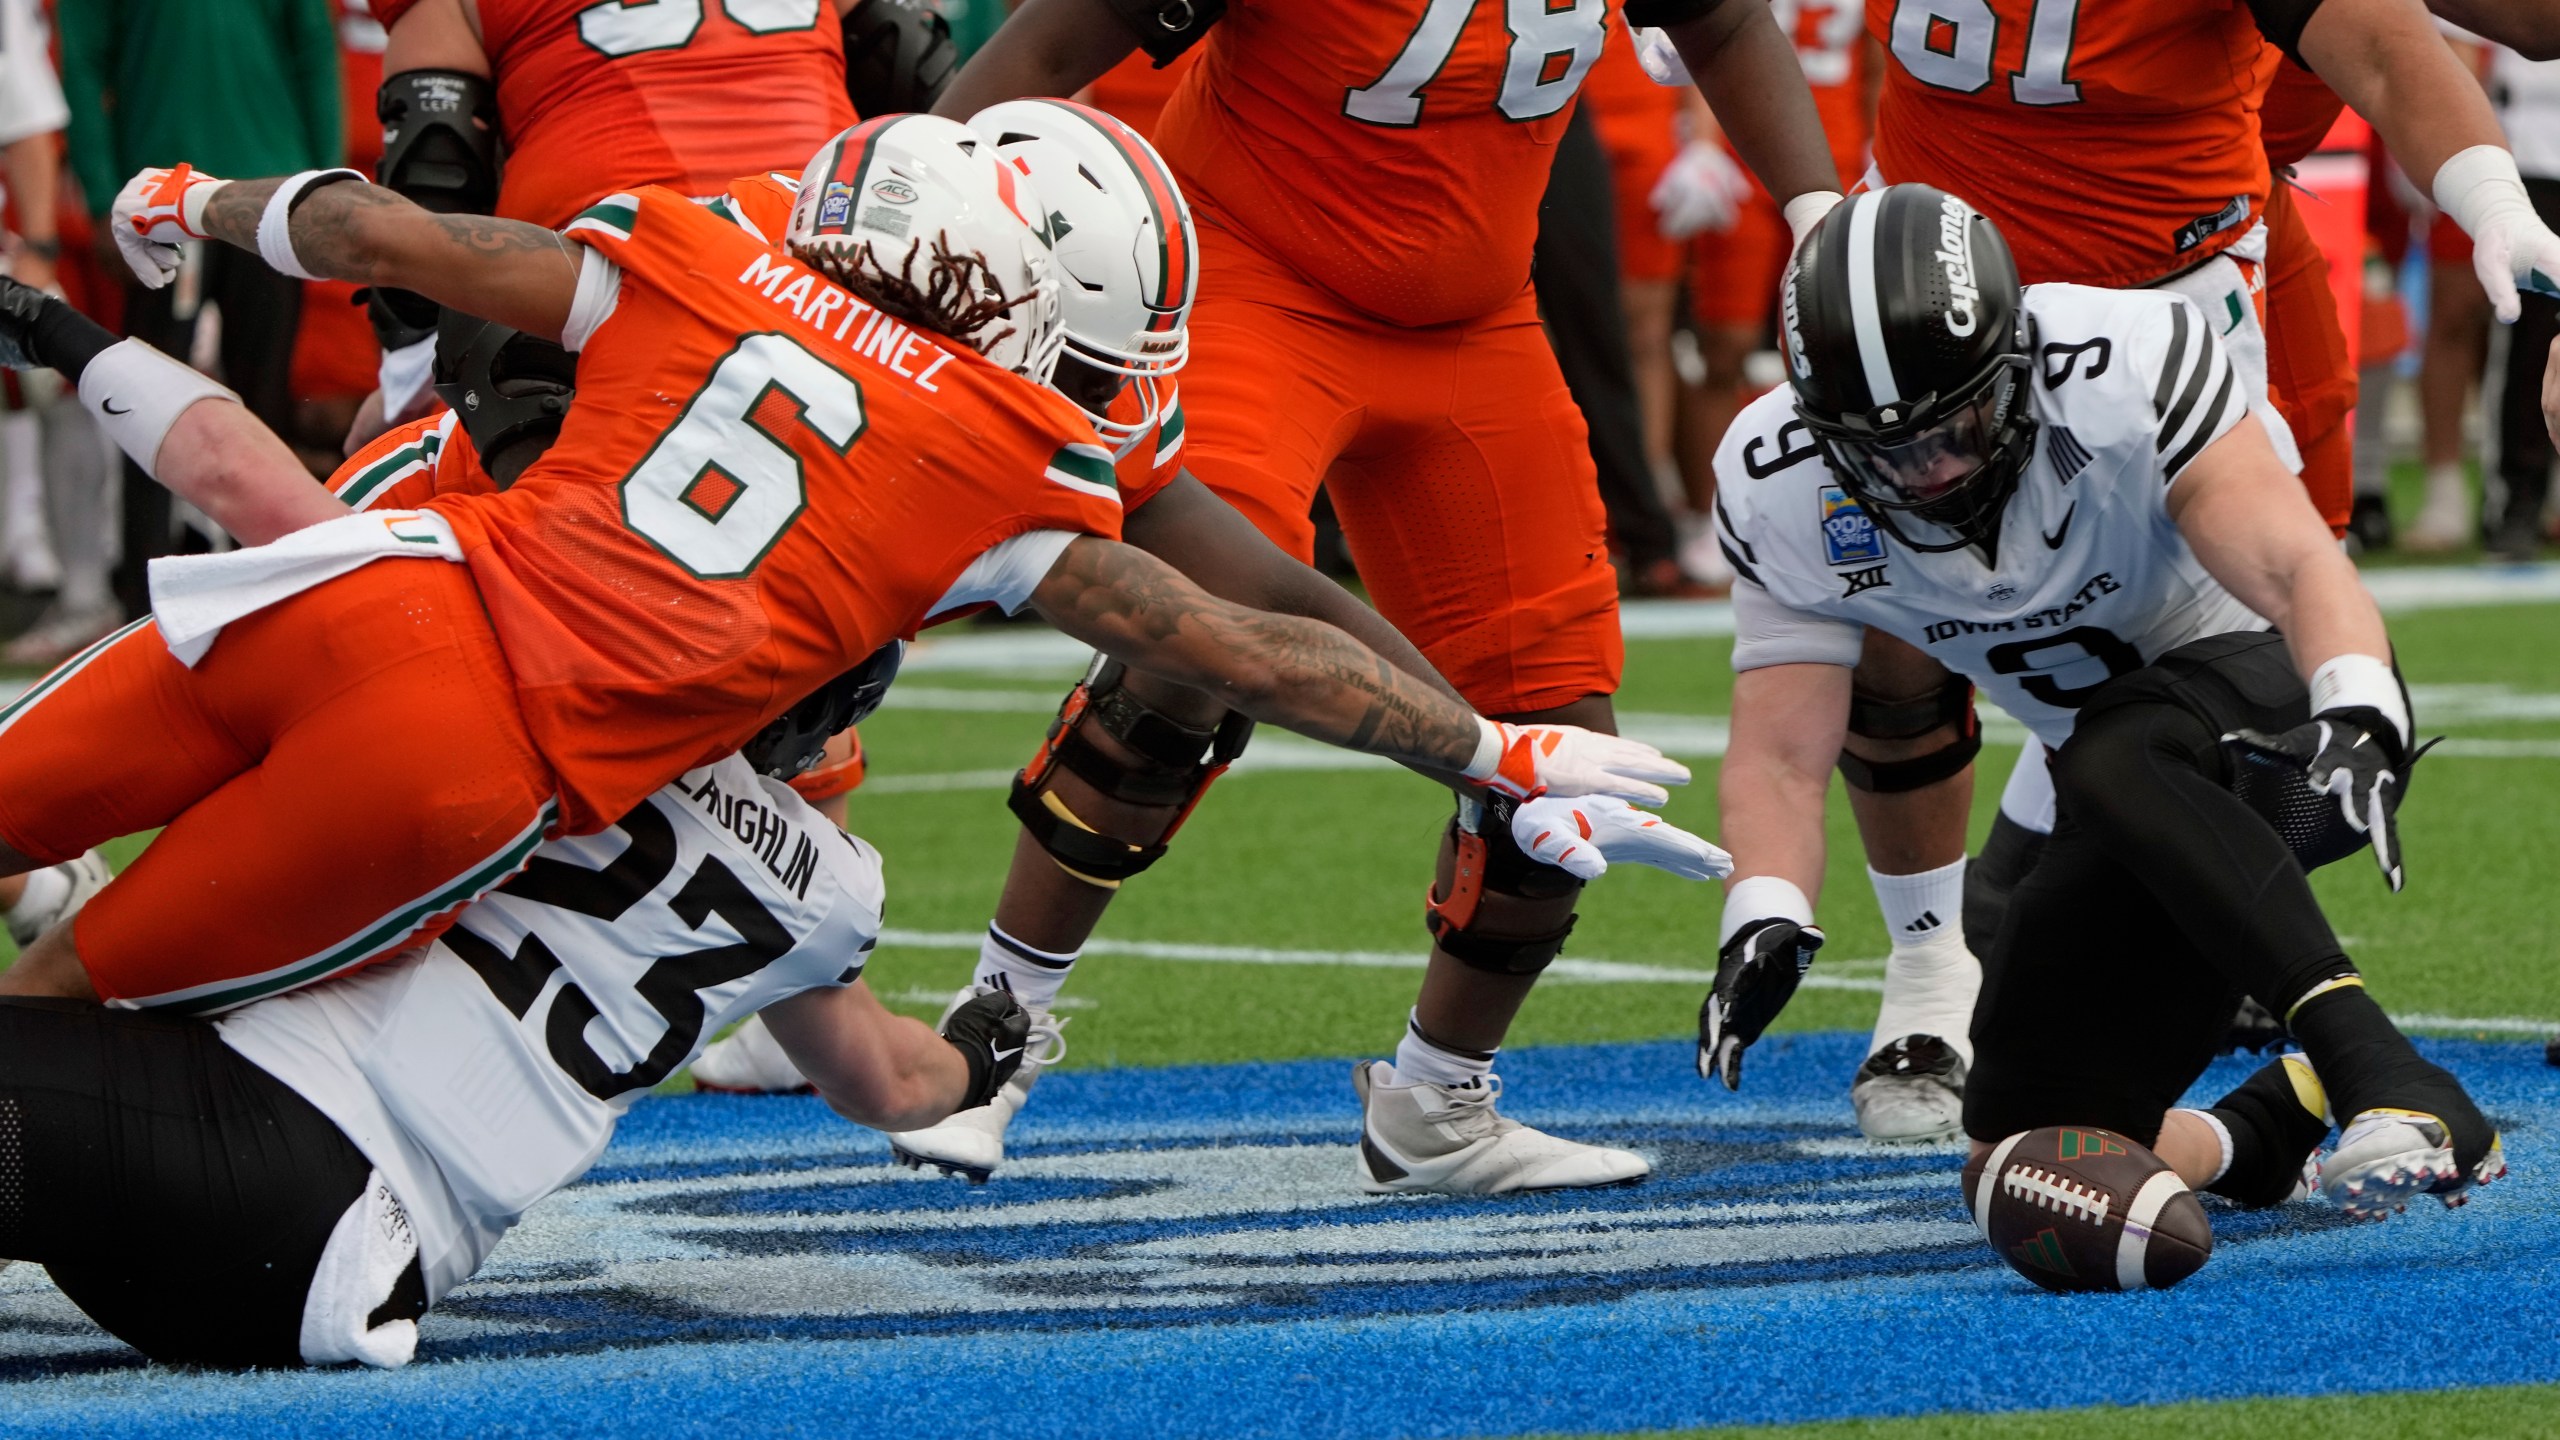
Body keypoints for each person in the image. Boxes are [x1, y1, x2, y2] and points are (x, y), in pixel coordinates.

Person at [0, 115, 1685, 1026]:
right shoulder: (998, 470)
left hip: (362, 590)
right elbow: (1236, 642)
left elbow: (372, 235)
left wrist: (185, 199)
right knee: (64, 1011)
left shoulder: (712, 245)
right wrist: (1489, 749)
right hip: (471, 758)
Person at [677, 109, 1729, 1157]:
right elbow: (524, 314)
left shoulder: (930, 353)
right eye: (1084, 374)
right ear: (966, 279)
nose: (1102, 412)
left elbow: (1260, 616)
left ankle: (955, 1051)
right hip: (578, 680)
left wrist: (1497, 764)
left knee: (818, 910)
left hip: (679, 722)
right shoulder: (704, 270)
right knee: (786, 879)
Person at [927, 0, 1846, 1197]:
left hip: (1476, 321)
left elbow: (1719, 26)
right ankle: (996, 1028)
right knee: (1191, 645)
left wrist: (1819, 217)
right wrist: (896, 237)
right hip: (1252, 284)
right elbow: (1049, 48)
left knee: (1566, 744)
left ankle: (1437, 1099)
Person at [1719, 0, 2560, 1144]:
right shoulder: (1782, 459)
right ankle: (2234, 1107)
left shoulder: (2136, 364)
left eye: (1938, 449)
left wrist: (2360, 706)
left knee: (2139, 722)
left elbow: (2295, 571)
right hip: (1920, 301)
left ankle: (2367, 1056)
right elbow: (1775, 743)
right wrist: (1760, 907)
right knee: (2020, 1129)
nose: (1923, 475)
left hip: (2165, 287)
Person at [0, 723, 1046, 1369]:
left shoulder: (575, 716)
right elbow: (895, 1085)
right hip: (337, 1281)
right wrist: (984, 1042)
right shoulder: (831, 889)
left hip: (261, 1142)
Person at [56, 0, 344, 616]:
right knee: (146, 409)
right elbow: (80, 66)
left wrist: (329, 183)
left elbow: (314, 50)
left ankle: (276, 590)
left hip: (272, 192)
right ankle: (144, 605)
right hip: (159, 203)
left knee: (265, 405)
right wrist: (102, 195)